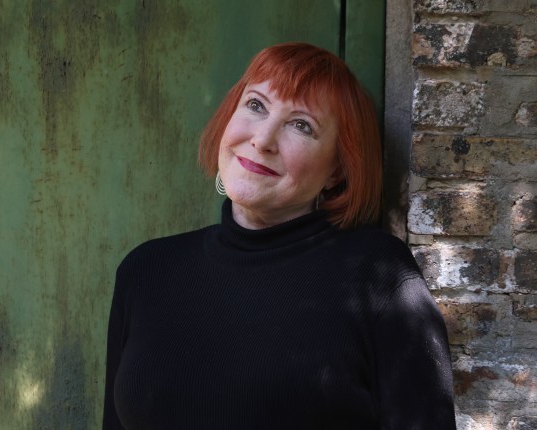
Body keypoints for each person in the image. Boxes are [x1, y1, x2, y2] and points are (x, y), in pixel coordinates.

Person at [102, 42, 456, 429]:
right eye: (256, 105)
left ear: (337, 170)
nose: (262, 139)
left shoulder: (379, 278)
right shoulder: (147, 270)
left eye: (301, 125)